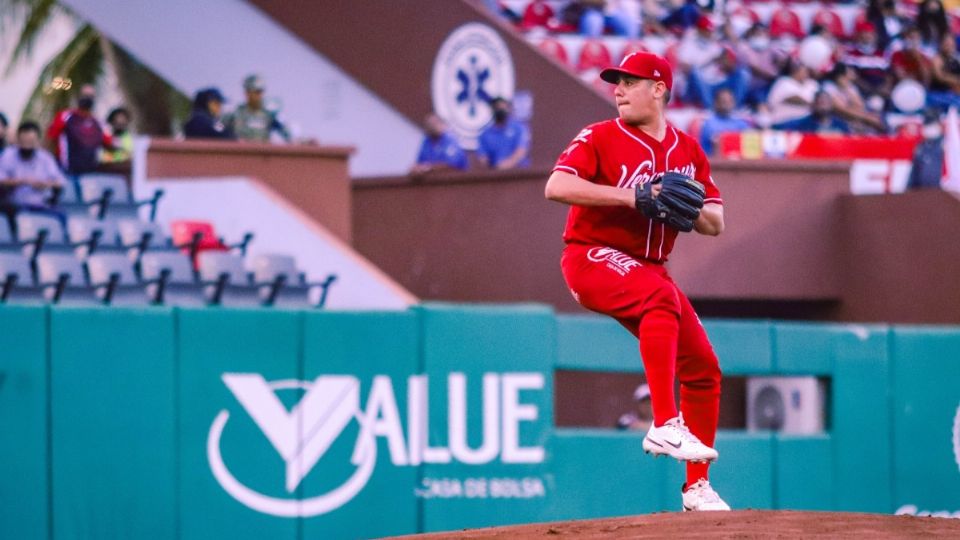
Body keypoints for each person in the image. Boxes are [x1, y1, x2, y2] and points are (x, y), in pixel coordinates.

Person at [544, 51, 728, 512]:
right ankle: (665, 421)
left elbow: (716, 222)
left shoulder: (688, 150)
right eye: (616, 83)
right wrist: (633, 196)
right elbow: (557, 186)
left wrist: (689, 210)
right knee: (660, 299)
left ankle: (697, 488)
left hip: (649, 267)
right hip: (590, 255)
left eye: (629, 82)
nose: (618, 90)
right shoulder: (600, 135)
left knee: (704, 369)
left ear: (659, 89)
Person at [0, 122, 67, 233]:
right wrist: (22, 181)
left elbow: (60, 181)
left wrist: (46, 184)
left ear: (38, 141)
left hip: (40, 204)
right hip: (15, 205)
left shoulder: (45, 157)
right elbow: (1, 180)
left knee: (61, 216)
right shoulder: (8, 155)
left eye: (30, 142)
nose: (27, 146)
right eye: (23, 142)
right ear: (18, 140)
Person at [46, 84, 113, 175]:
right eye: (85, 95)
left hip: (91, 173)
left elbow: (109, 144)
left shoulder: (99, 122)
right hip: (66, 171)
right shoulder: (65, 116)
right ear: (79, 97)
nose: (88, 99)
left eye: (91, 96)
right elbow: (50, 139)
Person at [228, 74, 290, 143]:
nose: (259, 96)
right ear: (247, 93)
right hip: (241, 152)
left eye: (261, 92)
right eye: (256, 92)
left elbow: (287, 133)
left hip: (262, 152)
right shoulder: (235, 113)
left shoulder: (269, 114)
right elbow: (218, 130)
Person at [477, 97, 531, 169]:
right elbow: (483, 158)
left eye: (503, 108)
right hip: (497, 175)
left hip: (520, 172)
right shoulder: (485, 135)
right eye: (497, 108)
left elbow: (521, 151)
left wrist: (505, 165)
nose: (500, 110)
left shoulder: (518, 128)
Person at [766, 58, 819, 126]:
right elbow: (794, 98)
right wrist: (813, 103)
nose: (805, 73)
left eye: (806, 71)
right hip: (784, 122)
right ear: (794, 71)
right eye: (802, 71)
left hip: (807, 123)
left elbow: (820, 97)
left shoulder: (812, 84)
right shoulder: (784, 81)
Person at [699, 88, 752, 155]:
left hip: (739, 162)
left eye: (729, 101)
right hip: (716, 163)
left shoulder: (740, 123)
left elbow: (751, 139)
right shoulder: (709, 123)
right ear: (716, 103)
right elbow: (715, 144)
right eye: (723, 101)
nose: (727, 104)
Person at [774, 91, 851, 134]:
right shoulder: (803, 124)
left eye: (825, 103)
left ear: (831, 105)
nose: (823, 106)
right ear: (813, 105)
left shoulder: (841, 125)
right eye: (820, 103)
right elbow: (778, 127)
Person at [907, 109, 945, 190]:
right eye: (927, 124)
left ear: (939, 125)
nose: (929, 128)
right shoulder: (921, 148)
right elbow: (914, 174)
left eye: (932, 124)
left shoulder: (947, 145)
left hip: (945, 192)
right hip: (924, 193)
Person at [928, 34, 960, 111]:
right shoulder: (937, 59)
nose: (949, 46)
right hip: (938, 94)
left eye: (951, 44)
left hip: (952, 94)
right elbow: (940, 76)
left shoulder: (955, 60)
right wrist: (956, 79)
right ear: (941, 45)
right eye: (946, 44)